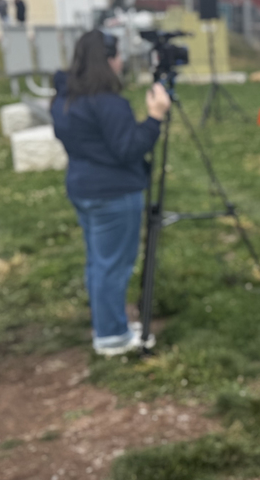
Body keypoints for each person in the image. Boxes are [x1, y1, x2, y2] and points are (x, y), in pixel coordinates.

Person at [51, 30, 171, 356]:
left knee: (99, 263)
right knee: (113, 266)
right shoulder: (108, 103)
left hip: (83, 187)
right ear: (108, 60)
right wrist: (155, 118)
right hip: (113, 193)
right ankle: (112, 337)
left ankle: (109, 323)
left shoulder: (64, 98)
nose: (120, 63)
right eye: (117, 57)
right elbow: (129, 149)